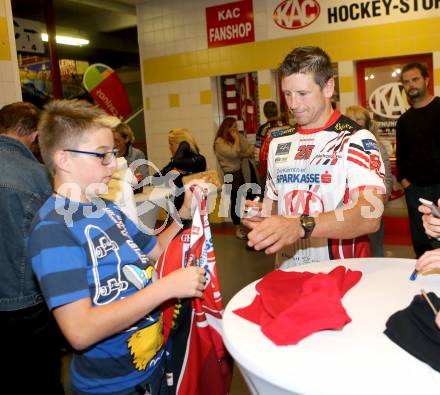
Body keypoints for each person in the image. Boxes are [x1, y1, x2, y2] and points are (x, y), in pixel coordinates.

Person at [28, 99, 206, 395]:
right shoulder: (53, 230)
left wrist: (183, 214)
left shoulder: (106, 209)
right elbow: (80, 331)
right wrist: (165, 289)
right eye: (102, 156)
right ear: (64, 159)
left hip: (155, 369)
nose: (114, 163)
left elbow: (157, 251)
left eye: (113, 152)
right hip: (113, 387)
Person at [242, 46, 386, 269]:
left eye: (302, 94)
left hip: (344, 273)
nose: (293, 105)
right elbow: (275, 206)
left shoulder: (355, 139)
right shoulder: (279, 143)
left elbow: (370, 214)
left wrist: (301, 225)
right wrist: (261, 216)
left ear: (328, 87)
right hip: (289, 270)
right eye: (287, 94)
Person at [0, 102, 64, 393]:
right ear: (35, 134)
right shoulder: (38, 175)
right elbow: (54, 237)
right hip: (26, 300)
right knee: (40, 377)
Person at [396, 62, 440, 258]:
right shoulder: (404, 121)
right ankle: (424, 281)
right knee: (421, 242)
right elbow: (401, 156)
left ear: (427, 80)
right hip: (415, 191)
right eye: (406, 82)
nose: (411, 85)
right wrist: (406, 184)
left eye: (415, 79)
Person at [345, 105, 393, 257]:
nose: (354, 122)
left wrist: (378, 203)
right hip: (346, 212)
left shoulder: (375, 146)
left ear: (366, 123)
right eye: (351, 119)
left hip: (370, 209)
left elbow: (387, 179)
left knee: (375, 252)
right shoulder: (339, 146)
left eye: (358, 119)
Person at [214, 117, 254, 240]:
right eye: (234, 128)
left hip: (241, 172)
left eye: (237, 127)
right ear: (227, 129)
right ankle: (237, 227)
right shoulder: (219, 142)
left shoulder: (234, 139)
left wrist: (242, 149)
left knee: (247, 199)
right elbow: (234, 153)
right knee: (236, 202)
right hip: (231, 175)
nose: (237, 130)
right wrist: (237, 140)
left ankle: (247, 225)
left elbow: (246, 150)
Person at [153, 128, 206, 211]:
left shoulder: (198, 159)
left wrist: (183, 146)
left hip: (193, 213)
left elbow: (179, 163)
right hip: (176, 212)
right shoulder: (174, 163)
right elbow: (155, 178)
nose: (169, 148)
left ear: (182, 145)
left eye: (171, 144)